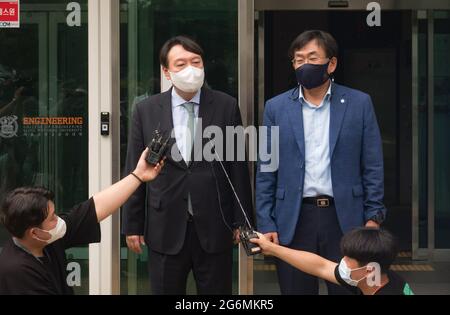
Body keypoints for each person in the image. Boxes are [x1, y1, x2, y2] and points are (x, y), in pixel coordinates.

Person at [255, 30, 386, 295]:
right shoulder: (276, 107)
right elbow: (266, 169)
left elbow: (372, 164)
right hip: (293, 219)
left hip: (345, 219)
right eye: (298, 59)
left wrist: (373, 218)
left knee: (349, 289)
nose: (304, 65)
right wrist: (266, 222)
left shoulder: (359, 103)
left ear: (332, 63)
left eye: (312, 57)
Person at [122, 36, 253, 295]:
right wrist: (132, 225)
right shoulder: (146, 110)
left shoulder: (226, 106)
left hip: (216, 224)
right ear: (166, 71)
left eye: (196, 62)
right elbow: (135, 170)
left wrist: (243, 220)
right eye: (180, 64)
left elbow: (238, 166)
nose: (190, 69)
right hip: (164, 226)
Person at [0, 148, 163, 294]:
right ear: (35, 232)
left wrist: (138, 176)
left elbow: (95, 207)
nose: (59, 220)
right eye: (52, 218)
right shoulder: (17, 272)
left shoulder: (44, 239)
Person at [251, 227, 414, 295]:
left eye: (349, 259)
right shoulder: (379, 278)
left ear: (369, 270)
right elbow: (320, 266)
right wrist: (271, 248)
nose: (342, 261)